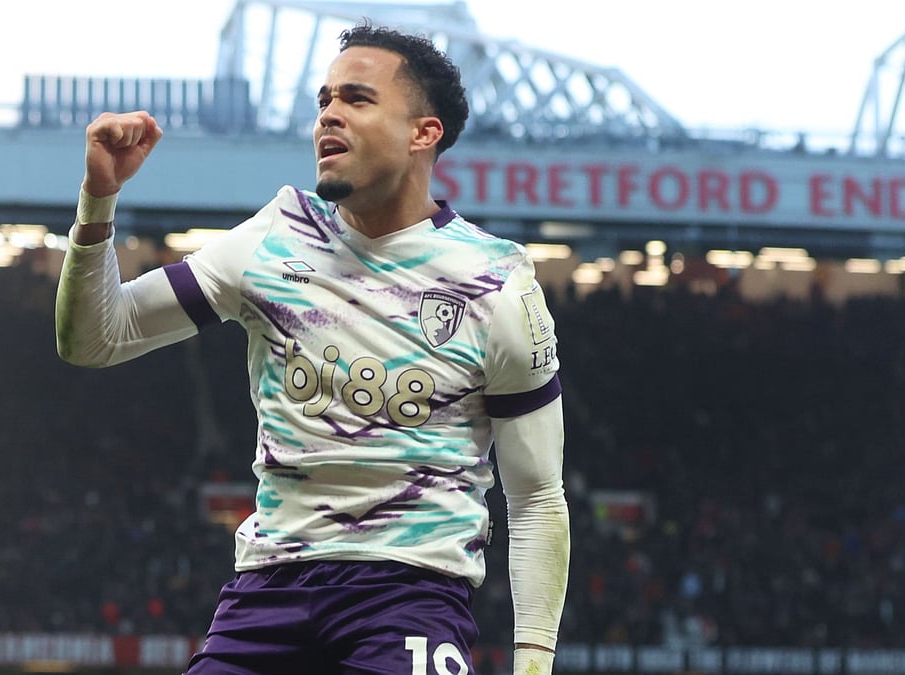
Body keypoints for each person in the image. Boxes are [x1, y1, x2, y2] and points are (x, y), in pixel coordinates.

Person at [56, 23, 569, 675]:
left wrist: (531, 666)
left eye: (356, 98)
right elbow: (97, 337)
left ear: (423, 132)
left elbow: (535, 500)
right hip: (267, 594)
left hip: (408, 598)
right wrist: (99, 198)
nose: (329, 114)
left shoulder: (497, 282)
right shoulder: (276, 235)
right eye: (324, 99)